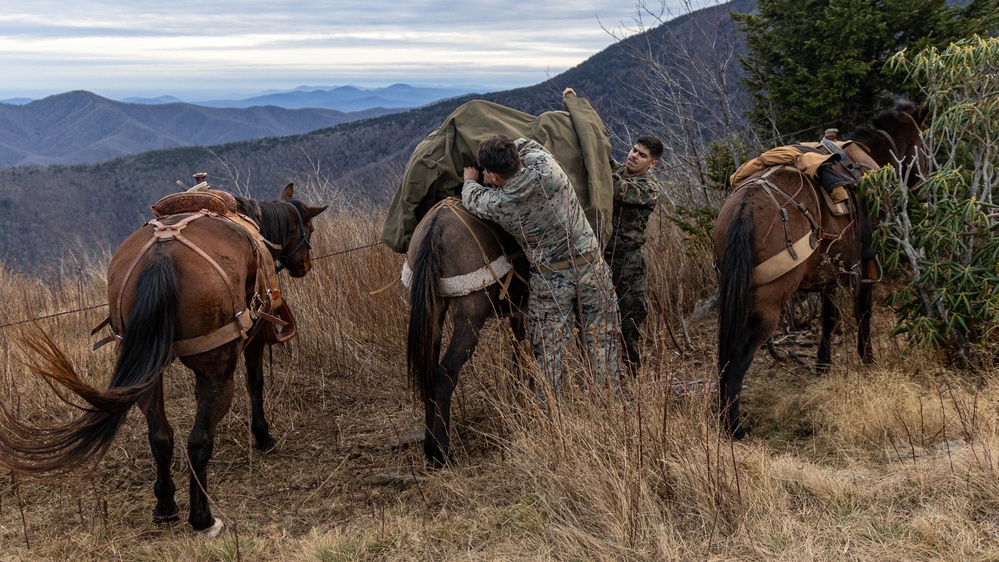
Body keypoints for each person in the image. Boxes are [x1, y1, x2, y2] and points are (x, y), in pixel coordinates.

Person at [461, 134, 621, 397]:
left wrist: (471, 179)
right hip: (592, 268)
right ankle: (609, 407)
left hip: (550, 282)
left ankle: (550, 418)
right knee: (603, 344)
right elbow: (528, 144)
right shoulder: (548, 169)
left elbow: (471, 199)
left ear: (493, 175)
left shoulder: (500, 203)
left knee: (548, 355)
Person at [566, 87, 664, 377]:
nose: (634, 156)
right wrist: (577, 109)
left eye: (642, 155)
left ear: (652, 164)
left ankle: (634, 372)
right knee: (590, 316)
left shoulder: (648, 188)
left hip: (628, 262)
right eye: (634, 150)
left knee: (630, 321)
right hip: (600, 257)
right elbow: (597, 150)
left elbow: (616, 190)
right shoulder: (616, 170)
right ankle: (596, 372)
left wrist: (600, 166)